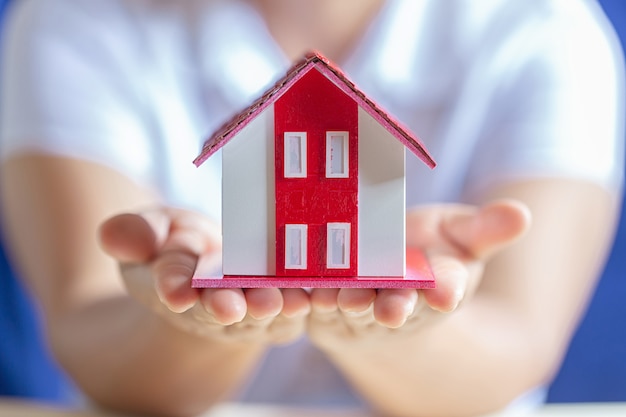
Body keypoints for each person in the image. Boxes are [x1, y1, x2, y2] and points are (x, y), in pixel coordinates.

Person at [0, 0, 623, 416]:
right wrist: (191, 320)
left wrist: (389, 332)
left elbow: (519, 345)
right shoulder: (74, 20)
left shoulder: (547, 29)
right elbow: (85, 328)